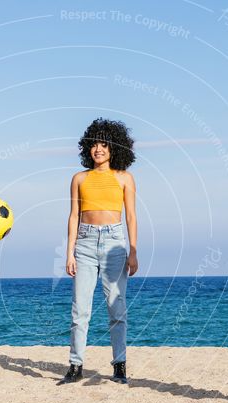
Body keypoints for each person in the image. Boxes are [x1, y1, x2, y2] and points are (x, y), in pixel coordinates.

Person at [60, 118, 138, 385]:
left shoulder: (124, 178)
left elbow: (131, 217)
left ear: (114, 147)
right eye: (94, 144)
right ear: (87, 148)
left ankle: (119, 366)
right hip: (84, 243)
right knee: (80, 309)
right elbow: (73, 216)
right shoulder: (79, 178)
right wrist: (69, 253)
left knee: (116, 308)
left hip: (115, 242)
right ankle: (75, 365)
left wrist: (133, 251)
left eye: (104, 144)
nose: (99, 149)